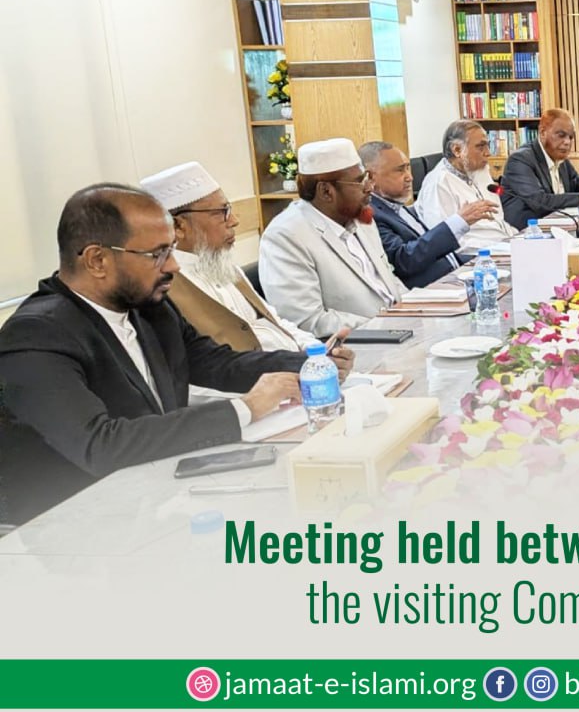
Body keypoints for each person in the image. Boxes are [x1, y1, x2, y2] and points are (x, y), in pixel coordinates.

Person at [0, 184, 349, 524]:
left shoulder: (149, 309)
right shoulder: (36, 335)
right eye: (157, 254)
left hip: (159, 496)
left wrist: (312, 364)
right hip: (75, 527)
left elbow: (217, 363)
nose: (174, 267)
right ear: (97, 260)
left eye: (171, 250)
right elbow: (100, 445)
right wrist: (245, 407)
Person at [140, 161, 316, 352]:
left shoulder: (221, 263)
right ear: (178, 226)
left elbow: (276, 321)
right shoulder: (165, 290)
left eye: (229, 210)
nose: (234, 221)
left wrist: (316, 349)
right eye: (221, 212)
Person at [258, 138, 408, 337]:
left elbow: (388, 281)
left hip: (399, 330)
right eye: (359, 181)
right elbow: (306, 321)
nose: (369, 187)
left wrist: (415, 308)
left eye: (367, 178)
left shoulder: (360, 218)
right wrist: (384, 325)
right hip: (357, 345)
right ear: (326, 191)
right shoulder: (285, 236)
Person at [359, 141, 495, 288]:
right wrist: (458, 222)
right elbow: (404, 260)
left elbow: (438, 253)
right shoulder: (372, 215)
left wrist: (482, 261)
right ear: (370, 177)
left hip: (456, 277)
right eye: (399, 170)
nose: (409, 177)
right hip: (432, 292)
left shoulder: (396, 206)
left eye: (408, 168)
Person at [499, 109, 579, 229]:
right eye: (561, 135)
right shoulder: (520, 160)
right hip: (528, 233)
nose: (567, 142)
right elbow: (539, 201)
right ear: (542, 133)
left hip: (561, 227)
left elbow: (577, 182)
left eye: (571, 137)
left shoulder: (560, 158)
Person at [415, 120, 519, 249]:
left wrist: (518, 238)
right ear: (457, 150)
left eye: (488, 145)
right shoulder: (439, 184)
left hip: (504, 244)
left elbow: (498, 221)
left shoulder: (480, 171)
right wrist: (498, 247)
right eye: (480, 147)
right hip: (479, 253)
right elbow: (443, 241)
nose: (488, 153)